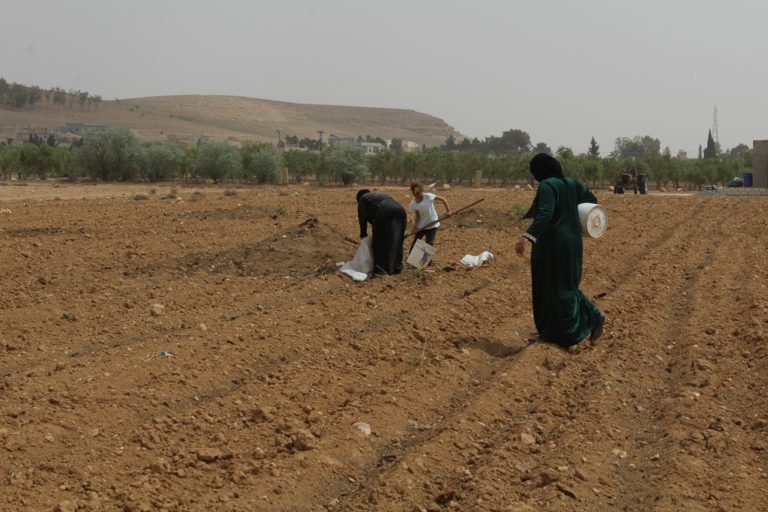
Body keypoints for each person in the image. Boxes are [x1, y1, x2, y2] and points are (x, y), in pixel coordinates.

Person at [515, 153, 605, 347]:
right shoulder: (572, 183)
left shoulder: (548, 186)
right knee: (565, 286)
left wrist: (527, 236)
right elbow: (591, 199)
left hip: (551, 244)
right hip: (572, 243)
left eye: (534, 172)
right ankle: (563, 329)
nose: (534, 176)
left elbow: (545, 213)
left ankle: (567, 328)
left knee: (546, 286)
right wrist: (571, 215)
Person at [357, 189, 407, 276]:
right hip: (401, 211)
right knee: (397, 240)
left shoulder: (362, 198)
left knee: (380, 242)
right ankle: (397, 267)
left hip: (384, 211)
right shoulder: (380, 194)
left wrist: (363, 234)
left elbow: (362, 218)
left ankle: (381, 270)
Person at [408, 182, 450, 254]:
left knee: (429, 244)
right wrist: (415, 227)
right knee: (415, 242)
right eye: (414, 194)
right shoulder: (413, 203)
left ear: (421, 191)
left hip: (432, 224)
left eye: (418, 193)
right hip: (422, 226)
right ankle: (411, 259)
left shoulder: (428, 197)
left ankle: (428, 263)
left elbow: (443, 199)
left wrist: (448, 211)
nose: (416, 195)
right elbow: (418, 215)